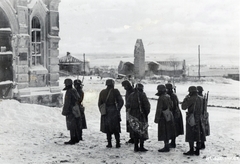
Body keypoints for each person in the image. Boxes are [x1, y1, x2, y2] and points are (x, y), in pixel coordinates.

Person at [98, 79, 124, 148]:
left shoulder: (102, 92)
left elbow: (99, 103)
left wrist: (102, 111)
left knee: (107, 128)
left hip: (106, 112)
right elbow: (121, 101)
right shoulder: (115, 91)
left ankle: (109, 143)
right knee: (116, 128)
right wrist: (118, 109)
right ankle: (117, 143)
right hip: (114, 111)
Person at [126, 83, 151, 152]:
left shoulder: (131, 95)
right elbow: (147, 106)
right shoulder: (143, 95)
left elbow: (127, 105)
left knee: (135, 130)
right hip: (141, 115)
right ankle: (141, 146)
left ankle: (136, 147)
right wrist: (146, 114)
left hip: (133, 115)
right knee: (142, 130)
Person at [182, 86, 205, 156]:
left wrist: (185, 99)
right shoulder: (201, 98)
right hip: (199, 118)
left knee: (190, 134)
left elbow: (183, 107)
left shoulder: (190, 99)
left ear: (191, 92)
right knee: (198, 134)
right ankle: (197, 150)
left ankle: (191, 149)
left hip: (192, 118)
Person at [154, 84, 175, 152]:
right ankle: (167, 145)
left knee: (164, 132)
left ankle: (166, 146)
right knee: (168, 131)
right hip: (169, 115)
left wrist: (156, 119)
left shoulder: (161, 98)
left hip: (163, 117)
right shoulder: (168, 96)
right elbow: (172, 105)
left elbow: (159, 109)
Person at [61, 78, 82, 145]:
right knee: (75, 124)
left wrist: (65, 111)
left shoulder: (69, 91)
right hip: (75, 109)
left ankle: (73, 139)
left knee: (72, 125)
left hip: (71, 111)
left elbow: (67, 102)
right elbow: (78, 99)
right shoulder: (74, 90)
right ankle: (76, 138)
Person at [165, 83, 184, 148]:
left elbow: (173, 106)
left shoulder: (172, 96)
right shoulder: (172, 95)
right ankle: (172, 142)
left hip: (174, 113)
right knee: (173, 128)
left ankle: (173, 143)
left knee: (173, 128)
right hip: (175, 113)